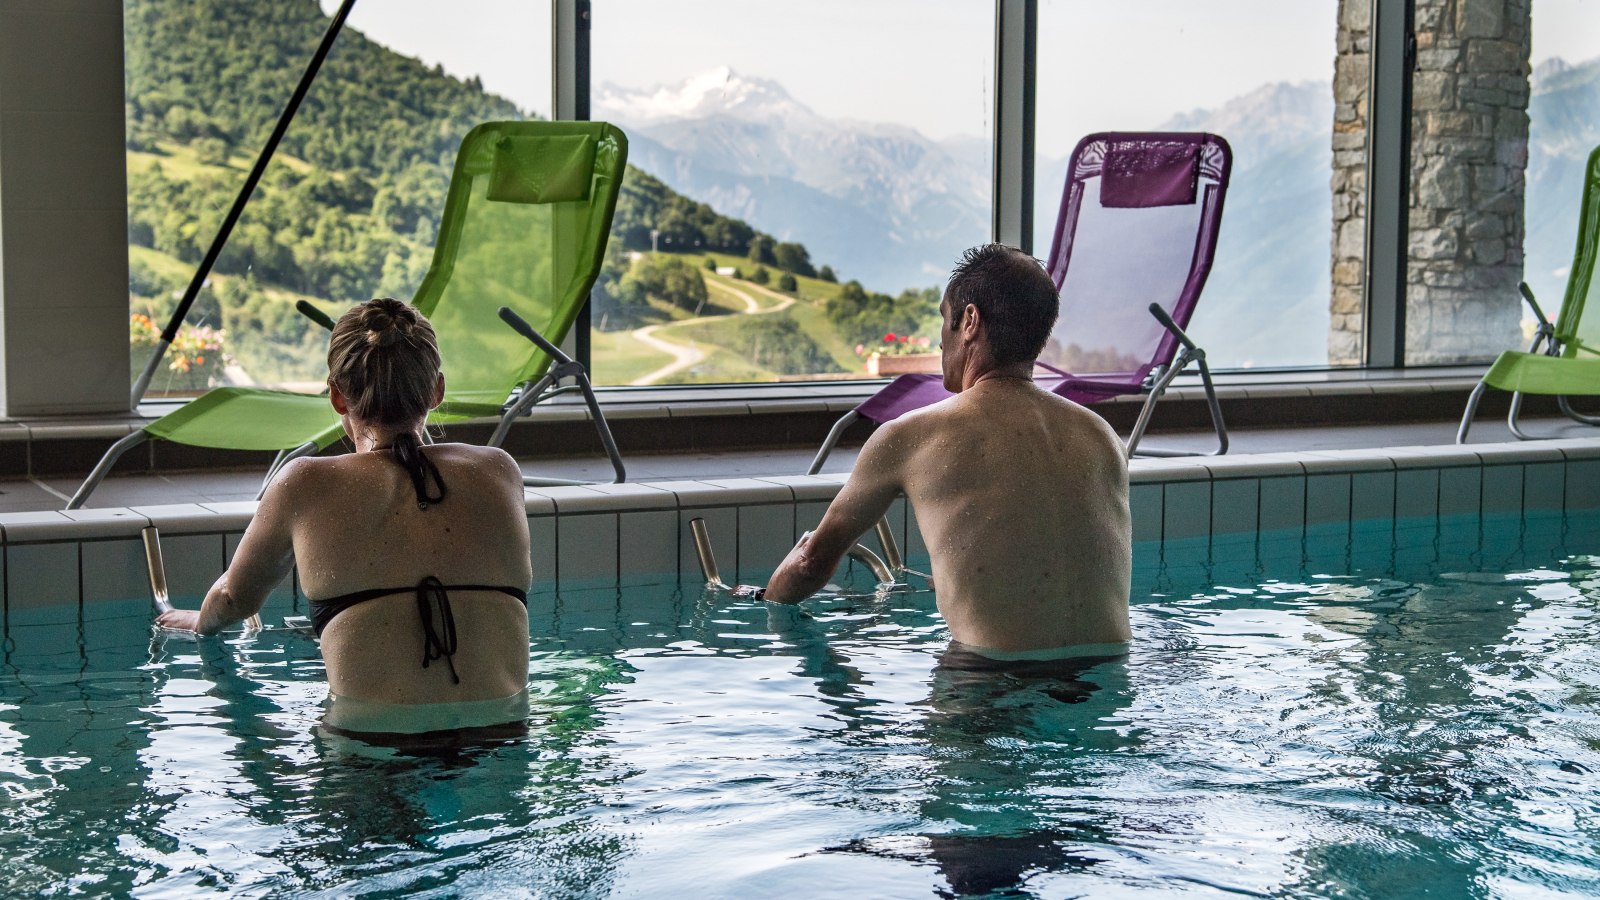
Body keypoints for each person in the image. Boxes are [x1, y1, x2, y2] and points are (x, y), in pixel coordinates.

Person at [158, 298, 533, 735]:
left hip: (369, 755)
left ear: (337, 395)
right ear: (437, 390)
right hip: (499, 744)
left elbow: (233, 599)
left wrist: (199, 624)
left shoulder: (302, 483)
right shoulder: (499, 471)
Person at [759, 244, 1131, 664]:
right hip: (1107, 677)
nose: (940, 341)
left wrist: (762, 601)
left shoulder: (911, 435)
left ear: (970, 321)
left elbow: (811, 563)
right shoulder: (1101, 437)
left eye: (943, 318)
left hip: (987, 685)